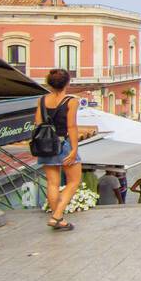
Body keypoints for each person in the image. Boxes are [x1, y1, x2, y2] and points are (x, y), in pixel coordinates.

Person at [36, 69, 83, 230]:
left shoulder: (42, 100)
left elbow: (38, 124)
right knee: (74, 181)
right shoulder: (71, 101)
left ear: (49, 83)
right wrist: (74, 149)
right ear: (67, 83)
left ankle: (57, 218)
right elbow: (72, 126)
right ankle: (57, 215)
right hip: (63, 144)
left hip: (46, 145)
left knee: (52, 183)